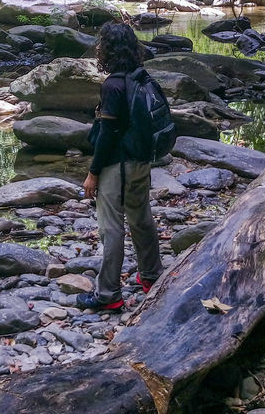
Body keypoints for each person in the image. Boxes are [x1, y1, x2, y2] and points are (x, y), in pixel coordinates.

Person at [77, 22, 163, 311]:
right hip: (141, 161)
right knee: (141, 219)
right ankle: (151, 275)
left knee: (110, 227)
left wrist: (93, 173)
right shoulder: (141, 77)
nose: (99, 47)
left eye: (102, 43)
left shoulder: (113, 85)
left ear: (109, 49)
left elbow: (107, 135)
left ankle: (107, 294)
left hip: (118, 166)